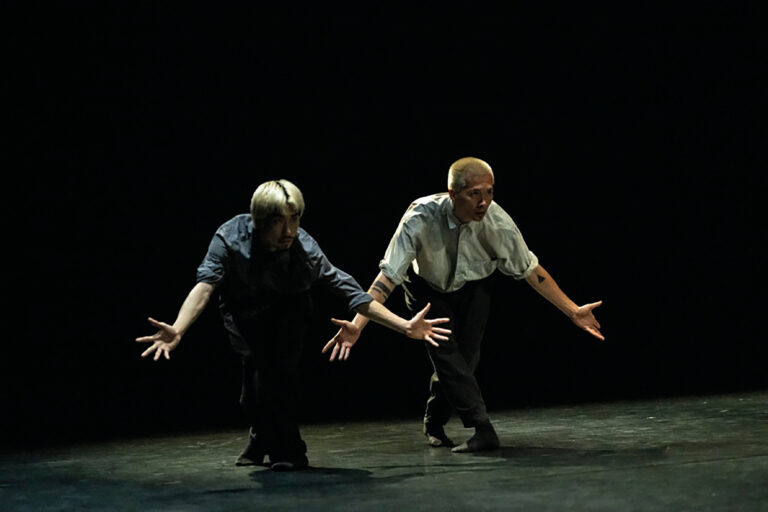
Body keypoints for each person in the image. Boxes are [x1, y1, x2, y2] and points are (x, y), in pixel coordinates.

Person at [136, 179, 451, 471]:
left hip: (289, 310)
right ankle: (259, 437)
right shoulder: (230, 238)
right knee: (252, 390)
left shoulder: (305, 250)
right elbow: (205, 287)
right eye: (278, 221)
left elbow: (353, 294)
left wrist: (404, 326)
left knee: (279, 378)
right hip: (243, 313)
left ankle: (290, 451)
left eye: (295, 219)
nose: (289, 230)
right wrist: (179, 328)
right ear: (260, 220)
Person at [322, 157, 604, 453]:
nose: (484, 202)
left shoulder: (498, 223)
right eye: (474, 194)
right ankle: (483, 428)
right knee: (447, 354)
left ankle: (434, 420)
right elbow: (387, 278)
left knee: (466, 360)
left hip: (475, 286)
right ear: (453, 194)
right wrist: (358, 324)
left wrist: (573, 310)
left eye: (489, 192)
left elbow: (531, 271)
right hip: (426, 288)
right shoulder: (420, 217)